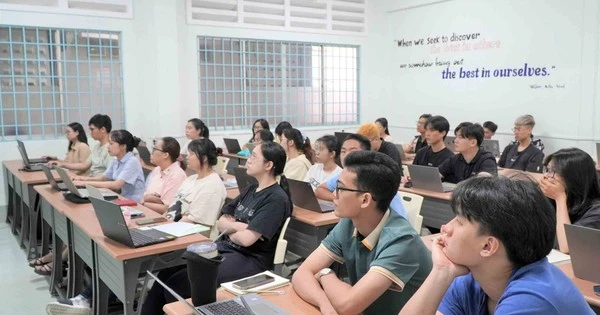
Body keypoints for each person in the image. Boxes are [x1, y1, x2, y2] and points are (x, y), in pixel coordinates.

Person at [400, 176, 594, 315]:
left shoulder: (534, 298)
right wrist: (441, 272)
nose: (445, 227)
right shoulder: (472, 280)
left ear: (487, 246)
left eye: (458, 221)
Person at [140, 142, 292, 315]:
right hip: (227, 248)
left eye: (253, 156)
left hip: (250, 258)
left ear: (268, 165)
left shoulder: (276, 199)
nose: (248, 160)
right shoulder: (251, 189)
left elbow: (247, 240)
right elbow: (221, 221)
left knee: (180, 283)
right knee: (167, 272)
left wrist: (231, 228)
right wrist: (238, 226)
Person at [293, 151, 432, 315]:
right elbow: (301, 274)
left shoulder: (402, 241)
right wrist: (325, 303)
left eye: (340, 188)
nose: (334, 195)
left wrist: (325, 273)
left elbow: (348, 306)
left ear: (365, 200)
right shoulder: (349, 223)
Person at [315, 134, 407, 218]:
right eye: (343, 151)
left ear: (366, 154)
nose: (346, 155)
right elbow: (320, 190)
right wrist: (339, 199)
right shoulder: (345, 174)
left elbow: (399, 220)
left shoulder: (379, 178)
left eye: (353, 151)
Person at [540, 148, 600, 253]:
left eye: (551, 171)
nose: (545, 176)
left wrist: (560, 198)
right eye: (547, 170)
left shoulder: (596, 211)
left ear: (572, 177)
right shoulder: (552, 199)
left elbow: (567, 247)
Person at [167, 139, 226, 238]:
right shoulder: (191, 179)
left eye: (191, 154)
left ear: (204, 158)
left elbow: (191, 220)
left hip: (188, 236)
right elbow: (172, 206)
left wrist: (166, 229)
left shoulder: (212, 185)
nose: (187, 157)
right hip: (173, 227)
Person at [72, 129, 146, 202]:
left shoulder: (132, 161)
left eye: (111, 143)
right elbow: (104, 178)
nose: (108, 147)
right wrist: (82, 179)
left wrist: (85, 184)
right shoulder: (116, 159)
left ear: (123, 146)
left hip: (135, 201)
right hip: (122, 197)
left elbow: (116, 185)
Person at [141, 137, 187, 215]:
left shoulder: (177, 175)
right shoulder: (157, 169)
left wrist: (142, 202)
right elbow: (146, 195)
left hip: (164, 219)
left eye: (154, 149)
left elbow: (167, 208)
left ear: (165, 155)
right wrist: (148, 198)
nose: (151, 153)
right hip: (149, 213)